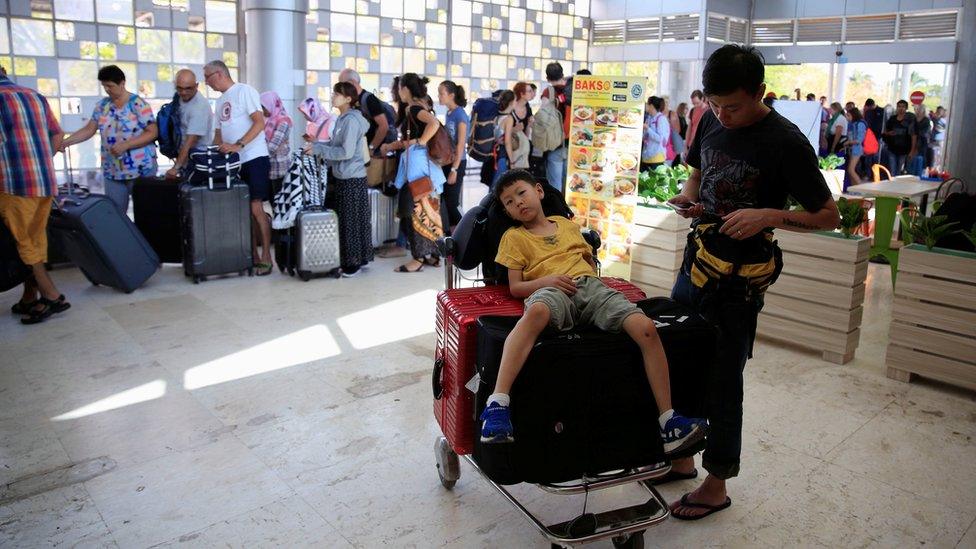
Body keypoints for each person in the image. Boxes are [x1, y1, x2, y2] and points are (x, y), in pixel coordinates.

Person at [665, 44, 839, 520]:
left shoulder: (785, 142)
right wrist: (688, 200)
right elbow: (697, 179)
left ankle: (716, 483)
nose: (723, 115)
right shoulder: (708, 120)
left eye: (733, 106)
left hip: (739, 282)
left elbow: (829, 216)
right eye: (714, 104)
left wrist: (770, 215)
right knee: (677, 357)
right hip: (697, 258)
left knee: (723, 379)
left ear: (761, 92)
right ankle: (680, 457)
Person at [478, 170, 707, 453]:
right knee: (536, 313)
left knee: (645, 327)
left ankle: (668, 421)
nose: (518, 203)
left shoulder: (566, 225)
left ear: (538, 191)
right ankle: (497, 404)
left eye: (521, 193)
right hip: (551, 289)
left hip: (591, 288)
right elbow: (515, 286)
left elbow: (587, 260)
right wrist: (548, 281)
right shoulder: (514, 238)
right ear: (508, 212)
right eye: (509, 202)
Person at [1, 67, 71, 325]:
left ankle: (52, 296)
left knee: (23, 243)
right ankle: (30, 295)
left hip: (14, 184)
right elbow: (57, 133)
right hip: (43, 181)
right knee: (35, 239)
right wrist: (42, 161)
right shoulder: (34, 95)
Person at [203, 60, 274, 276]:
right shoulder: (220, 101)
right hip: (232, 162)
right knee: (242, 211)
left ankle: (267, 257)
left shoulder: (244, 91)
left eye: (207, 77)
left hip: (253, 157)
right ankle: (250, 255)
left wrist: (238, 145)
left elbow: (259, 123)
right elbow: (218, 133)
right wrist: (214, 152)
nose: (206, 82)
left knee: (255, 208)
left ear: (219, 74)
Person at [60, 65, 158, 214]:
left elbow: (152, 132)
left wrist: (127, 145)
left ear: (122, 83)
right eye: (104, 86)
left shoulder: (137, 104)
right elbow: (89, 129)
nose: (107, 89)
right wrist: (67, 142)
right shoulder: (102, 106)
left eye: (110, 86)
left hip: (140, 168)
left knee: (146, 212)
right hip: (112, 168)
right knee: (115, 213)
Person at [380, 73, 446, 273]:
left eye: (400, 87)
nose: (398, 92)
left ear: (405, 89)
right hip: (425, 167)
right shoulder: (419, 105)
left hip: (418, 168)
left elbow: (434, 123)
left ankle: (418, 258)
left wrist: (420, 142)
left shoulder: (415, 108)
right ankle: (433, 255)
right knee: (428, 210)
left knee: (415, 212)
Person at [307, 82, 374, 278]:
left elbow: (346, 152)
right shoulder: (343, 119)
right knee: (353, 219)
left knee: (350, 221)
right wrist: (317, 144)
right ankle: (359, 258)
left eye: (338, 94)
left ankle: (352, 264)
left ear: (348, 99)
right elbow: (337, 144)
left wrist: (319, 149)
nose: (333, 96)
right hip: (347, 175)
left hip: (351, 176)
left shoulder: (351, 121)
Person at [165, 69, 213, 180]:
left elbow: (190, 142)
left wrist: (176, 168)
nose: (183, 92)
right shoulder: (178, 97)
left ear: (196, 86)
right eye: (179, 88)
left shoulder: (199, 107)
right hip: (184, 158)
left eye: (188, 88)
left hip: (198, 161)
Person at [438, 80, 469, 233]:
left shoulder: (460, 115)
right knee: (445, 200)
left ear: (451, 95)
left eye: (441, 93)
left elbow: (460, 145)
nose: (439, 96)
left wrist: (454, 169)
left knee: (452, 202)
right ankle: (451, 236)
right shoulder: (449, 113)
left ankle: (465, 232)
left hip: (457, 163)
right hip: (447, 162)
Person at [338, 69, 391, 158]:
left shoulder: (369, 99)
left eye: (342, 85)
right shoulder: (352, 100)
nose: (341, 89)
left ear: (352, 82)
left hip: (372, 154)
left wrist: (371, 149)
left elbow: (384, 126)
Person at [540, 62, 568, 190]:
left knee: (555, 185)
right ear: (562, 73)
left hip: (555, 144)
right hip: (574, 142)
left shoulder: (548, 92)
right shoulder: (573, 90)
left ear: (547, 78)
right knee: (571, 183)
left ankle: (556, 209)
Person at [260, 91, 292, 196]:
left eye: (263, 107)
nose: (262, 110)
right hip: (269, 168)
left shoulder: (283, 121)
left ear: (271, 104)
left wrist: (257, 154)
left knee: (278, 202)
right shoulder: (269, 120)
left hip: (279, 169)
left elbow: (272, 146)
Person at [491, 90, 519, 186]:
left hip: (492, 154)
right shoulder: (509, 118)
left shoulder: (495, 114)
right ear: (511, 102)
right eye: (515, 100)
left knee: (494, 183)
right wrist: (512, 161)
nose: (516, 102)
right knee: (498, 185)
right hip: (501, 156)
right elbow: (507, 142)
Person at [882, 99, 917, 175]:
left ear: (906, 108)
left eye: (903, 107)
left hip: (904, 150)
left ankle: (898, 186)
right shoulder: (892, 119)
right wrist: (888, 133)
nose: (901, 108)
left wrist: (912, 150)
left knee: (899, 171)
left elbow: (913, 136)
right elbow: (885, 132)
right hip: (892, 148)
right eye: (899, 106)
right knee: (892, 171)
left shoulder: (910, 119)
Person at [642, 96, 669, 172]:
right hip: (647, 156)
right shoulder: (649, 118)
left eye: (647, 104)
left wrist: (647, 128)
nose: (646, 106)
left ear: (651, 106)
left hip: (657, 157)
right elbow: (646, 136)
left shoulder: (661, 119)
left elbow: (660, 139)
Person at [845, 107, 867, 186]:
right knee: (850, 170)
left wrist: (849, 142)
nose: (847, 117)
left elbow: (859, 140)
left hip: (857, 149)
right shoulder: (852, 124)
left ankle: (860, 187)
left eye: (848, 115)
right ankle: (853, 188)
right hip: (852, 149)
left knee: (851, 170)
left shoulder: (860, 124)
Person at [862, 98, 884, 173]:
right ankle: (868, 173)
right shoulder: (868, 112)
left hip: (877, 136)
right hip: (869, 137)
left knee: (876, 156)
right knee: (868, 156)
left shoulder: (882, 111)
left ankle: (875, 174)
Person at [684, 90, 706, 163]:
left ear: (702, 99)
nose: (695, 105)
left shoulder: (709, 111)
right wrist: (686, 146)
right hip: (692, 144)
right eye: (693, 104)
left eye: (697, 103)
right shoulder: (693, 110)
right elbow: (689, 129)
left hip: (703, 145)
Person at [913, 104, 931, 170]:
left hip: (923, 141)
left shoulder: (926, 120)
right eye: (918, 109)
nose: (919, 110)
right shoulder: (914, 118)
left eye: (921, 109)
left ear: (924, 110)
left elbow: (925, 131)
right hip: (914, 140)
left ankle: (921, 170)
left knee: (922, 156)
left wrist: (916, 133)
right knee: (914, 156)